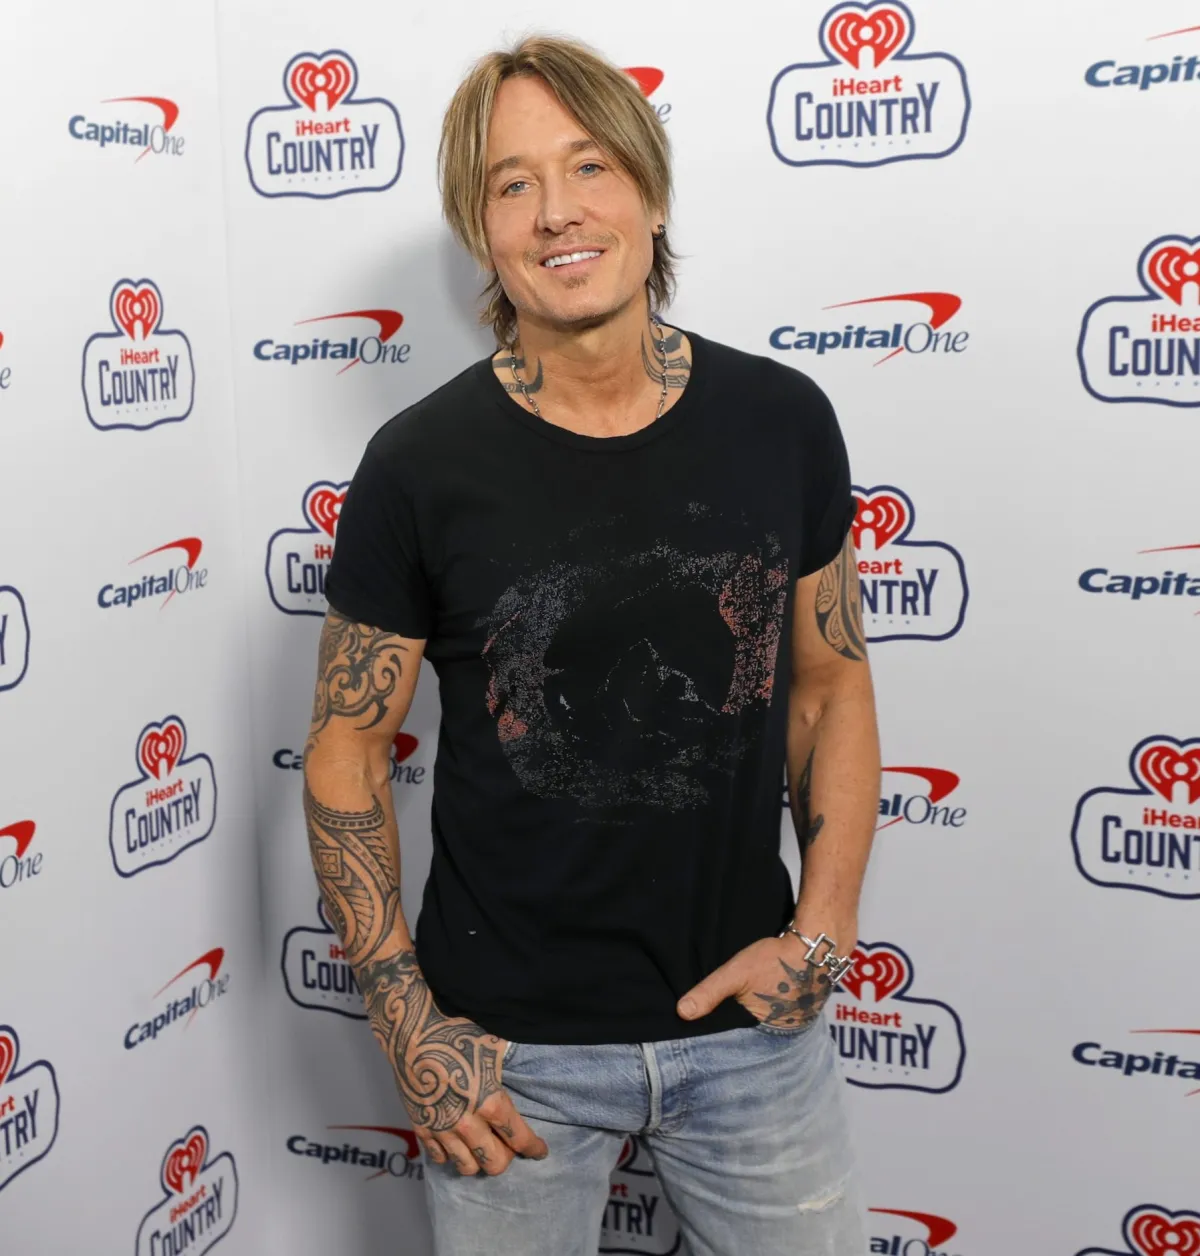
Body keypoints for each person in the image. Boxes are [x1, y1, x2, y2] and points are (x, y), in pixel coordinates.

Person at [303, 34, 881, 1256]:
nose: (557, 211)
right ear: (482, 229)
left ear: (652, 193)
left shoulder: (782, 421)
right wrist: (409, 1023)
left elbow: (829, 688)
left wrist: (820, 931)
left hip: (752, 1035)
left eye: (589, 166)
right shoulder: (419, 466)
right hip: (507, 1057)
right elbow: (347, 748)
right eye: (512, 183)